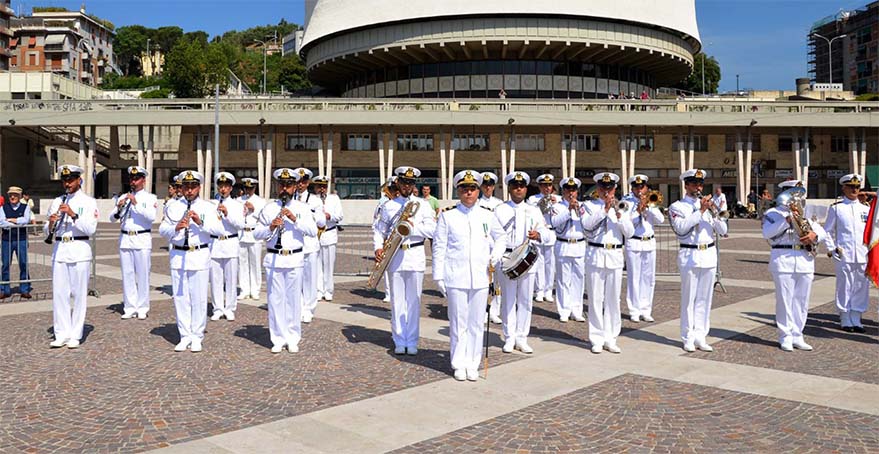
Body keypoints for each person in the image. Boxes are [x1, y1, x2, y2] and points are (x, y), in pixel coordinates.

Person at [433, 170, 506, 381]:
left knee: (476, 323)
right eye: (464, 189)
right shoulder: (448, 216)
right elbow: (439, 247)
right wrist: (438, 276)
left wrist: (496, 256)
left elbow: (501, 238)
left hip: (481, 278)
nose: (469, 192)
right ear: (458, 191)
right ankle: (458, 363)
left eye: (472, 188)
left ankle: (472, 363)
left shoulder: (487, 215)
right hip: (456, 277)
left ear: (478, 191)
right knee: (457, 323)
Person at [373, 166, 436, 355]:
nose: (407, 186)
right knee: (397, 301)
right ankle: (399, 339)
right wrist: (377, 246)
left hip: (415, 255)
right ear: (398, 183)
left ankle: (413, 340)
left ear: (414, 185)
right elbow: (378, 229)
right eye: (404, 182)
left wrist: (410, 228)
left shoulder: (423, 205)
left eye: (410, 183)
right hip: (395, 255)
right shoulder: (388, 205)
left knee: (414, 302)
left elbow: (433, 230)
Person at [159, 170, 224, 352]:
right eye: (186, 187)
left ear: (199, 188)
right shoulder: (172, 206)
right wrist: (175, 227)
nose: (189, 190)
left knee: (198, 298)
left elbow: (219, 230)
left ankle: (197, 335)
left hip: (199, 255)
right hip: (179, 256)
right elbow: (162, 229)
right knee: (181, 298)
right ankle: (184, 335)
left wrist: (200, 222)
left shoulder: (208, 207)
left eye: (193, 187)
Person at [254, 168, 317, 353]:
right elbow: (257, 233)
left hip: (294, 258)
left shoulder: (302, 208)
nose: (284, 188)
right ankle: (278, 338)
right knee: (275, 300)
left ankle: (292, 336)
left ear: (294, 187)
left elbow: (313, 231)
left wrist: (294, 220)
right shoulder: (269, 208)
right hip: (274, 257)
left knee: (293, 300)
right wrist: (270, 226)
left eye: (288, 185)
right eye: (282, 185)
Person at [669, 169, 728, 352]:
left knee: (704, 298)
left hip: (708, 255)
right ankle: (687, 337)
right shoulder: (677, 207)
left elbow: (723, 230)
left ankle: (701, 335)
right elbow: (681, 229)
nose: (698, 187)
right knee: (689, 299)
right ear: (686, 185)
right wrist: (701, 210)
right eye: (694, 184)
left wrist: (713, 213)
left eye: (700, 184)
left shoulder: (709, 207)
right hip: (689, 255)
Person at [763, 179, 825, 351]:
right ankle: (785, 336)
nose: (796, 198)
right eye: (792, 193)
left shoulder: (804, 212)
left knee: (802, 300)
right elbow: (767, 233)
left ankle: (798, 334)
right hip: (783, 258)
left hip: (804, 259)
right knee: (784, 300)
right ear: (784, 193)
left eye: (798, 194)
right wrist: (786, 221)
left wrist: (814, 235)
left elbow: (822, 232)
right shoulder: (773, 213)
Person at [495, 172, 553, 354]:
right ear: (509, 188)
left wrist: (539, 235)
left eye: (521, 186)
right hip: (507, 257)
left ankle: (522, 337)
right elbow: (492, 237)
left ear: (526, 189)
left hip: (528, 258)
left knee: (526, 300)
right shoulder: (500, 209)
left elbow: (549, 235)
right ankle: (509, 336)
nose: (518, 189)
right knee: (508, 300)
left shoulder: (534, 210)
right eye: (514, 186)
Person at [46, 165, 98, 349]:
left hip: (79, 249)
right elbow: (47, 229)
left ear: (79, 181)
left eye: (71, 180)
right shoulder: (56, 201)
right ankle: (61, 333)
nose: (67, 183)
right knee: (60, 294)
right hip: (60, 249)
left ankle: (76, 334)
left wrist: (73, 214)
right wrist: (51, 223)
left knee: (78, 294)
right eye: (65, 180)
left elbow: (91, 229)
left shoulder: (88, 202)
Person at [582, 173, 634, 354]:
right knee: (595, 299)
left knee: (613, 299)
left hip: (614, 255)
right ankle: (596, 338)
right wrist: (604, 209)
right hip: (595, 253)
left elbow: (629, 232)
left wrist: (619, 215)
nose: (606, 191)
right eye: (603, 188)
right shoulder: (588, 206)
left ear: (615, 189)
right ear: (597, 189)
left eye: (610, 188)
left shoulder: (623, 207)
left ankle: (611, 337)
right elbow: (587, 225)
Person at [823, 174, 870, 333]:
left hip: (863, 254)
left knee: (861, 286)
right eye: (851, 187)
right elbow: (827, 231)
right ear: (844, 188)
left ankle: (856, 316)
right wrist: (831, 248)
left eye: (857, 187)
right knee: (845, 286)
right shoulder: (837, 208)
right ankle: (844, 316)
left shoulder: (866, 209)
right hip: (845, 253)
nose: (854, 190)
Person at [109, 166, 157, 319]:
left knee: (143, 274)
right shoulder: (124, 196)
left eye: (136, 179)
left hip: (141, 239)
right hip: (125, 239)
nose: (133, 181)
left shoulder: (150, 198)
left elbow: (151, 217)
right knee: (127, 274)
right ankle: (129, 306)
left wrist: (135, 204)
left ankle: (142, 306)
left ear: (143, 180)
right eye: (131, 179)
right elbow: (111, 218)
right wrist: (119, 207)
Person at [622, 175, 665, 322]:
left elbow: (660, 220)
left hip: (649, 243)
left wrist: (649, 207)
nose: (639, 190)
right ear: (632, 188)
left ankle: (646, 309)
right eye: (636, 187)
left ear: (646, 188)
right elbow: (626, 224)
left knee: (648, 278)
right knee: (634, 278)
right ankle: (634, 310)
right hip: (634, 242)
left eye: (642, 187)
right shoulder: (626, 203)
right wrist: (638, 211)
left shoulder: (651, 201)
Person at [549, 177, 588, 323]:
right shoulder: (557, 207)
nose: (570, 193)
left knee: (578, 279)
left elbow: (588, 224)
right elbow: (554, 223)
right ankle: (564, 310)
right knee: (563, 280)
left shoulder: (583, 206)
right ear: (563, 191)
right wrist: (569, 210)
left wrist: (578, 209)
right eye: (567, 190)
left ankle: (576, 309)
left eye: (573, 190)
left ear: (577, 192)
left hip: (579, 245)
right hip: (564, 244)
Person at [209, 172, 245, 321]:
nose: (223, 189)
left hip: (230, 243)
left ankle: (230, 308)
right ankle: (217, 308)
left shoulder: (237, 205)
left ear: (231, 188)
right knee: (215, 278)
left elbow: (240, 224)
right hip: (215, 243)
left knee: (230, 278)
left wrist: (227, 213)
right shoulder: (211, 204)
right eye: (221, 186)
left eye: (226, 186)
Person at [294, 168, 327, 323]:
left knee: (310, 279)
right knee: (297, 278)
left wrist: (310, 213)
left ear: (307, 183)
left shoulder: (315, 200)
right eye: (298, 182)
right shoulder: (290, 199)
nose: (300, 185)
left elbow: (322, 222)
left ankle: (309, 308)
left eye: (304, 182)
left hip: (310, 244)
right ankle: (299, 306)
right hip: (295, 243)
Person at [527, 174, 558, 303]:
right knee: (539, 263)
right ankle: (539, 290)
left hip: (551, 233)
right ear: (540, 186)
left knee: (551, 264)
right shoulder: (533, 199)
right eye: (544, 185)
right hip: (539, 232)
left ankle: (548, 290)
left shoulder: (558, 199)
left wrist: (554, 203)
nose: (547, 188)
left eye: (549, 185)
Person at [478, 171, 504, 323]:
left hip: (497, 247)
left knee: (497, 282)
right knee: (484, 280)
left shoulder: (499, 204)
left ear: (494, 187)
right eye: (485, 185)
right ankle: (484, 310)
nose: (487, 188)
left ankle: (495, 310)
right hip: (484, 245)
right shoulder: (477, 203)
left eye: (490, 185)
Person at [313, 176, 344, 301]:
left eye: (324, 187)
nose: (322, 189)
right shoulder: (311, 199)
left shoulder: (334, 199)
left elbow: (340, 216)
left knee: (329, 265)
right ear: (315, 187)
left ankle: (328, 290)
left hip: (329, 233)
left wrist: (329, 215)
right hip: (315, 235)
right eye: (319, 186)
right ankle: (319, 290)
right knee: (317, 265)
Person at [0, 186, 33, 299]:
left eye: (15, 195)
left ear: (19, 196)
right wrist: (17, 223)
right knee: (5, 265)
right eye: (10, 195)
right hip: (6, 240)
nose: (12, 197)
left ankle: (25, 288)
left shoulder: (25, 207)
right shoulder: (3, 207)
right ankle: (4, 289)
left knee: (23, 263)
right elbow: (2, 223)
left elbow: (26, 221)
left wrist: (11, 220)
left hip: (21, 239)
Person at [237, 177, 265, 300]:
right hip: (242, 234)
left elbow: (264, 218)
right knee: (242, 263)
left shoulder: (260, 201)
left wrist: (254, 210)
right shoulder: (238, 200)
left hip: (254, 234)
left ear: (255, 188)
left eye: (251, 188)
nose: (248, 191)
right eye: (246, 188)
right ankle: (244, 289)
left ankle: (255, 289)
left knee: (255, 263)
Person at [374, 177, 398, 303]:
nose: (393, 192)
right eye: (391, 189)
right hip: (386, 237)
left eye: (394, 189)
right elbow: (377, 219)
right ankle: (388, 292)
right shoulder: (383, 203)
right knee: (386, 266)